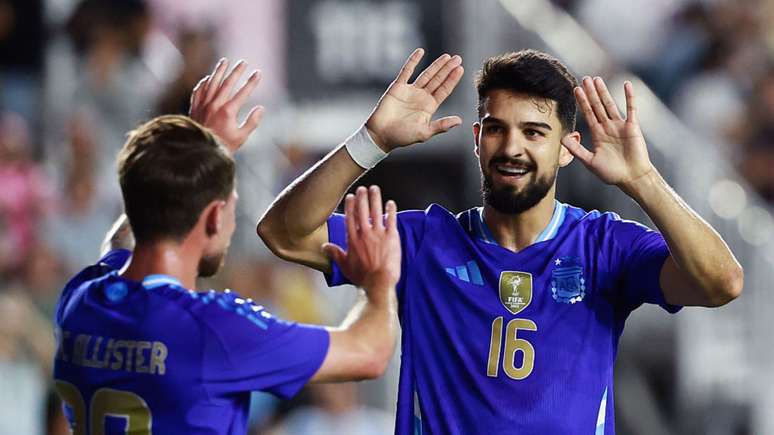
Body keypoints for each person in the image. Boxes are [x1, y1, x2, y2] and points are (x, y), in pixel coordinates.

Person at [256, 48, 744, 434]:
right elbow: (284, 233)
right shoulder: (422, 242)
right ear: (476, 138)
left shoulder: (602, 246)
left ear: (567, 148)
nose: (512, 148)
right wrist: (371, 141)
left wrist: (643, 180)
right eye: (497, 129)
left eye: (534, 132)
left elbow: (721, 282)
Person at [52, 60, 401, 434]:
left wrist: (202, 151)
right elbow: (368, 353)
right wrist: (378, 281)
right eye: (233, 207)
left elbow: (122, 239)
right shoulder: (214, 328)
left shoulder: (82, 300)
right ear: (216, 216)